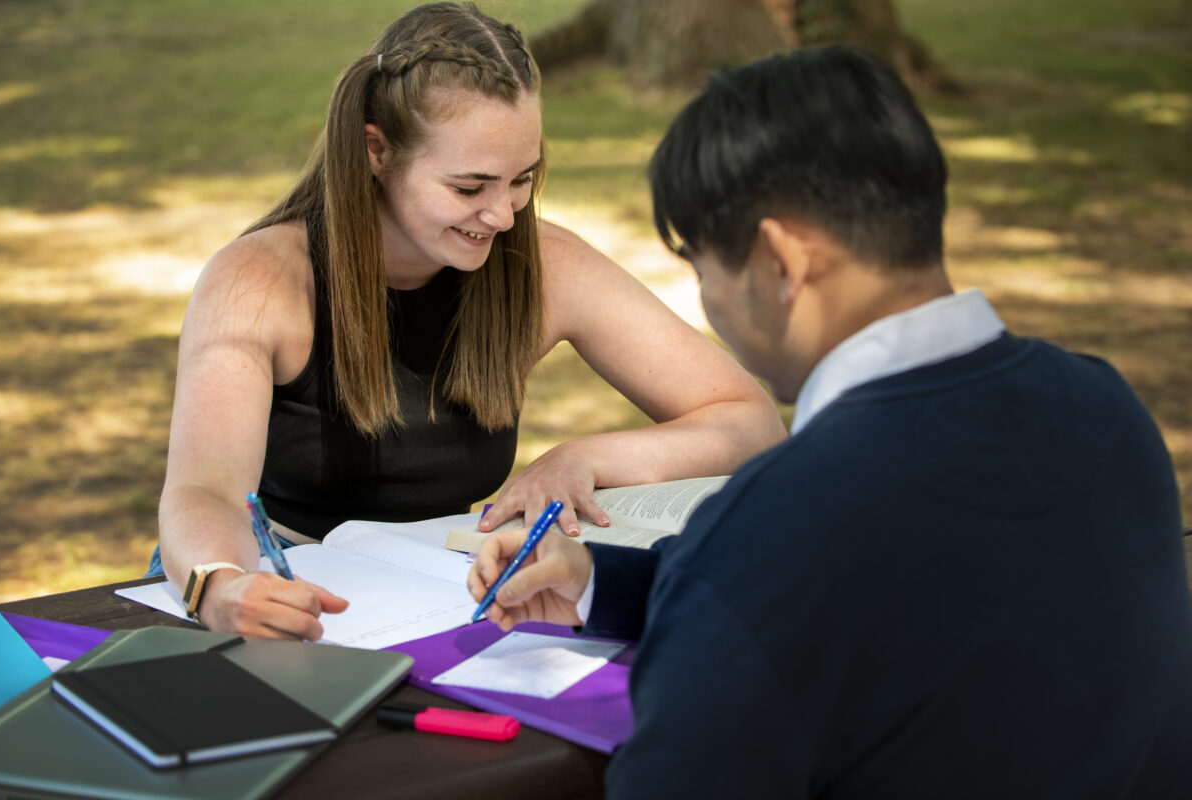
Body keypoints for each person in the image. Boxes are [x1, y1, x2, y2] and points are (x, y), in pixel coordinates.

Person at [468, 45, 1192, 797]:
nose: (708, 303)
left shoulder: (783, 525)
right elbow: (920, 593)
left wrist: (713, 582)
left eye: (700, 266)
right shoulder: (1108, 410)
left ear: (779, 261)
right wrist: (598, 582)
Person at [155, 2, 785, 640]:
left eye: (522, 180)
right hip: (268, 584)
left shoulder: (540, 263)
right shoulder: (260, 281)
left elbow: (747, 419)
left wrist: (583, 457)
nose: (505, 217)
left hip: (442, 593)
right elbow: (203, 491)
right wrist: (222, 585)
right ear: (377, 151)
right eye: (469, 187)